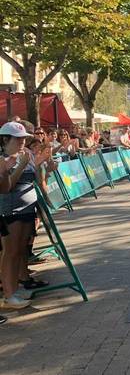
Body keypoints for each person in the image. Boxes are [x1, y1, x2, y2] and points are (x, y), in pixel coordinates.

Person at [0, 122, 43, 309]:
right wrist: (19, 166)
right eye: (18, 139)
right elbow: (7, 187)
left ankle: (15, 289)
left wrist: (43, 165)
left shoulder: (25, 155)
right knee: (10, 252)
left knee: (20, 250)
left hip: (27, 209)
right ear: (5, 139)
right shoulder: (3, 158)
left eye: (24, 138)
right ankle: (8, 295)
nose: (22, 142)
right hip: (11, 210)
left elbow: (35, 177)